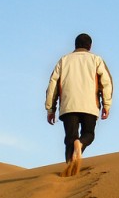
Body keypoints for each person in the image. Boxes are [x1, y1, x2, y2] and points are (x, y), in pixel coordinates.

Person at [45, 33, 113, 175]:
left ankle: (69, 170)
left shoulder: (64, 60)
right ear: (90, 46)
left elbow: (53, 84)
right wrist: (106, 104)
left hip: (69, 106)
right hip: (90, 105)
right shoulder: (96, 59)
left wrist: (50, 109)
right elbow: (107, 83)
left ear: (75, 45)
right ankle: (81, 144)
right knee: (88, 134)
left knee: (70, 138)